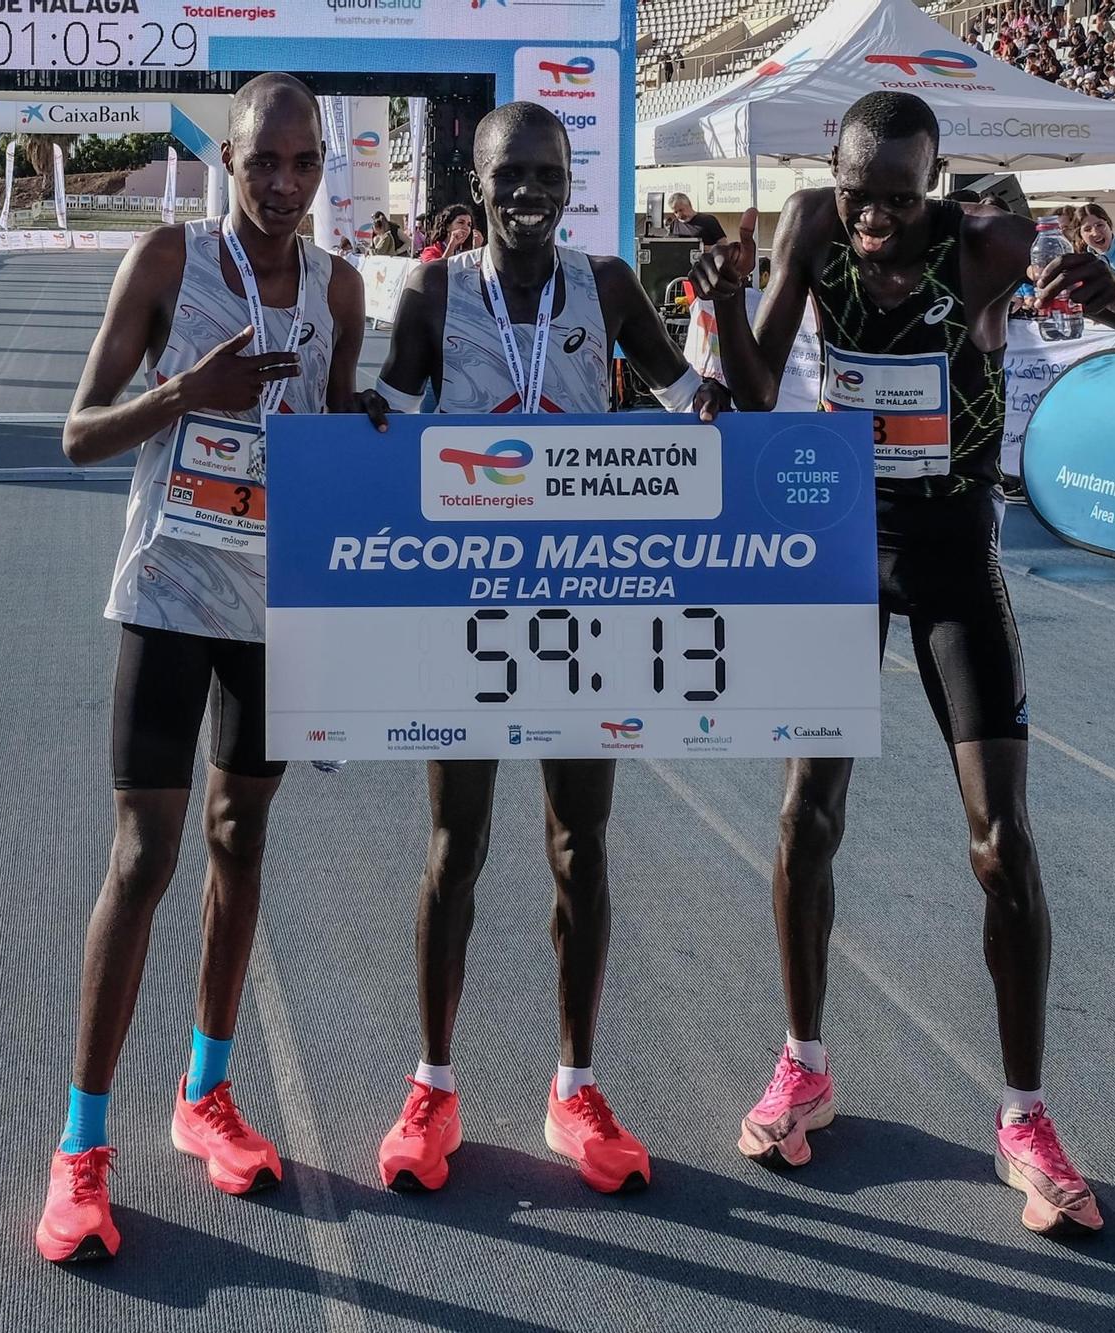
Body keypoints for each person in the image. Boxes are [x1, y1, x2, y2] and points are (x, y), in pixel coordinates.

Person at [689, 90, 1115, 1235]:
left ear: (934, 184)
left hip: (949, 551)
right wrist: (728, 306)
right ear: (832, 176)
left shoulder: (988, 248)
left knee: (999, 842)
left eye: (896, 196)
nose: (872, 217)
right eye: (856, 191)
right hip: (837, 543)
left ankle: (1023, 1113)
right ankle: (801, 1063)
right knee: (803, 816)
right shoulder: (811, 229)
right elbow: (762, 378)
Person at [359, 102, 726, 1197]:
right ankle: (432, 1086)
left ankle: (574, 1085)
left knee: (580, 847)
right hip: (466, 606)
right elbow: (382, 412)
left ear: (572, 184)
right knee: (453, 847)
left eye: (547, 174)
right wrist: (351, 424)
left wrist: (725, 363)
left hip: (585, 604)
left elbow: (684, 394)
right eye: (508, 175)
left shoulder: (605, 285)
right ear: (475, 187)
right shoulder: (433, 292)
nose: (529, 192)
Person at [33, 73, 366, 1265]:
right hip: (168, 599)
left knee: (241, 842)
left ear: (322, 167)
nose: (282, 184)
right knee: (143, 856)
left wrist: (359, 421)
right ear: (225, 161)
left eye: (302, 162)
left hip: (271, 617)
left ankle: (205, 1095)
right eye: (260, 161)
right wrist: (187, 392)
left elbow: (325, 433)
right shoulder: (170, 265)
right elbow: (77, 432)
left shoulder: (340, 288)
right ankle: (80, 1148)